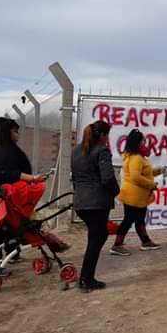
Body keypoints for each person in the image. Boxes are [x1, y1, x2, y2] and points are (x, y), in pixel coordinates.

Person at [0, 117, 45, 259]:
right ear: (7, 133)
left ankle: (10, 255)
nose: (18, 135)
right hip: (3, 195)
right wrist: (33, 179)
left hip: (4, 195)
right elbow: (9, 174)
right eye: (15, 131)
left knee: (8, 227)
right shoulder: (4, 152)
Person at [71, 120, 119, 292]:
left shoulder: (76, 151)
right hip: (97, 202)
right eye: (108, 135)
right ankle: (86, 279)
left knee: (97, 235)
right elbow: (107, 178)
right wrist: (115, 191)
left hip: (81, 202)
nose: (108, 139)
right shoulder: (102, 150)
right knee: (97, 237)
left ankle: (86, 277)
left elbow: (75, 177)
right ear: (103, 135)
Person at [110, 129, 164, 255]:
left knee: (139, 219)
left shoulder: (135, 157)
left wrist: (158, 171)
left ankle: (145, 241)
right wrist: (151, 184)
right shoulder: (137, 158)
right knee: (129, 220)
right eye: (143, 140)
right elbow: (136, 177)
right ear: (138, 142)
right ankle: (117, 245)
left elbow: (145, 173)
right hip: (134, 196)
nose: (145, 143)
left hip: (136, 196)